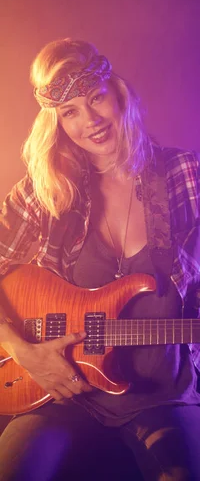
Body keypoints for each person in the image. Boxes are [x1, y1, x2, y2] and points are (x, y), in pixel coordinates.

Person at [0, 38, 200, 481]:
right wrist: (23, 352)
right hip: (63, 393)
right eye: (69, 111)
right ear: (55, 121)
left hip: (162, 394)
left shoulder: (183, 174)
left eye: (95, 98)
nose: (89, 121)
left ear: (117, 93)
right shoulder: (45, 191)